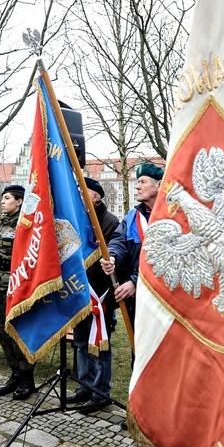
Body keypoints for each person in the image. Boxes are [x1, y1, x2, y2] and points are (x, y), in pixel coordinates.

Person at [68, 177, 120, 413]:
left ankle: (100, 392)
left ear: (96, 197)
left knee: (99, 344)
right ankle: (83, 385)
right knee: (80, 343)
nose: (79, 195)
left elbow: (109, 259)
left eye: (84, 192)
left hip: (99, 293)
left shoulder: (109, 222)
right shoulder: (77, 220)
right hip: (79, 291)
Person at [0, 184, 36, 400]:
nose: (3, 201)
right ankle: (14, 373)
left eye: (8, 198)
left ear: (19, 202)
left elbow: (26, 256)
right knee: (3, 331)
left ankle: (27, 377)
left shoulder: (24, 225)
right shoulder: (1, 224)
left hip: (16, 285)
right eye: (3, 198)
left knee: (18, 331)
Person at [100, 162, 165, 322]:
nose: (137, 186)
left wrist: (136, 282)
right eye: (137, 182)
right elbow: (119, 240)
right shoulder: (132, 216)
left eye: (142, 182)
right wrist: (113, 256)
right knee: (138, 345)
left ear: (158, 185)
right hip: (137, 301)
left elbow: (166, 260)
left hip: (164, 299)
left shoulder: (171, 216)